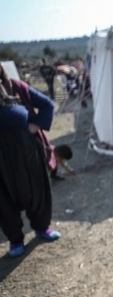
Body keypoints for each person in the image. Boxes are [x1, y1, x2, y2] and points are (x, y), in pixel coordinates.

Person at [0, 65, 61, 258]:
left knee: (38, 191)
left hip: (28, 151)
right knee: (4, 199)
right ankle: (15, 239)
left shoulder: (16, 88)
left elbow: (47, 105)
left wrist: (33, 127)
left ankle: (42, 228)